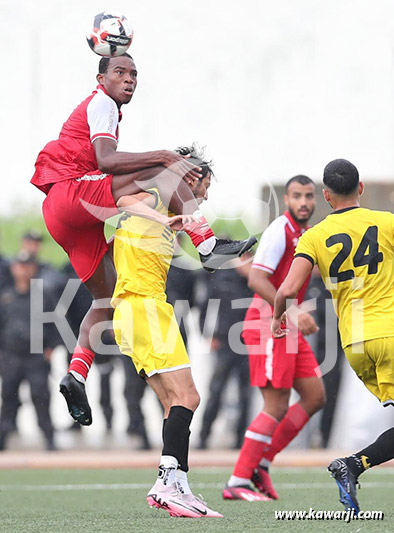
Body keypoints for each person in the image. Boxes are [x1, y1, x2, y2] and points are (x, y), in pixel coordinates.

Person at [30, 53, 256, 426]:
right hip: (137, 295)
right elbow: (107, 161)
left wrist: (164, 218)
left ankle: (77, 373)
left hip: (70, 222)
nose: (129, 79)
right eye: (120, 72)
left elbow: (124, 200)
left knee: (104, 299)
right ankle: (209, 245)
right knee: (184, 397)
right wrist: (167, 160)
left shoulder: (116, 127)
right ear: (100, 78)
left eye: (134, 73)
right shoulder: (102, 103)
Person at [272, 159, 394, 514]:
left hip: (355, 345)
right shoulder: (385, 222)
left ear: (325, 196)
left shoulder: (313, 236)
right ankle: (354, 463)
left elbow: (286, 290)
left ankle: (354, 465)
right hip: (389, 334)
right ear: (361, 189)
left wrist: (279, 318)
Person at [112, 145, 228, 517]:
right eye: (204, 187)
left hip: (133, 309)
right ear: (189, 178)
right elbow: (125, 200)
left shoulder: (162, 201)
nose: (204, 196)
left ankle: (178, 484)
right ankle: (168, 482)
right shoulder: (159, 195)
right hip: (144, 306)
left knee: (172, 402)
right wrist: (163, 220)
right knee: (188, 397)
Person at [223, 175, 326, 501]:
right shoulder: (279, 230)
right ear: (287, 199)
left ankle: (261, 462)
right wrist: (293, 312)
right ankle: (238, 479)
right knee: (275, 405)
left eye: (309, 196)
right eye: (297, 196)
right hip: (271, 322)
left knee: (314, 396)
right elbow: (256, 279)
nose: (304, 202)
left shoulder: (306, 234)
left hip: (286, 323)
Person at [0, 252, 59, 450]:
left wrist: (50, 348)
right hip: (10, 357)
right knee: (8, 397)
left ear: (34, 269)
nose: (23, 269)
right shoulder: (5, 296)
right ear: (13, 268)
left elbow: (56, 324)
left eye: (28, 265)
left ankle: (49, 439)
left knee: (41, 397)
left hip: (36, 357)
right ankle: (2, 439)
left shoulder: (43, 296)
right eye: (20, 265)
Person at [197, 255, 253, 449]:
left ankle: (240, 440)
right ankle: (204, 436)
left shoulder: (258, 281)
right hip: (226, 343)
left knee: (246, 394)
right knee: (216, 390)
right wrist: (207, 334)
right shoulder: (223, 278)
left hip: (249, 344)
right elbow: (205, 308)